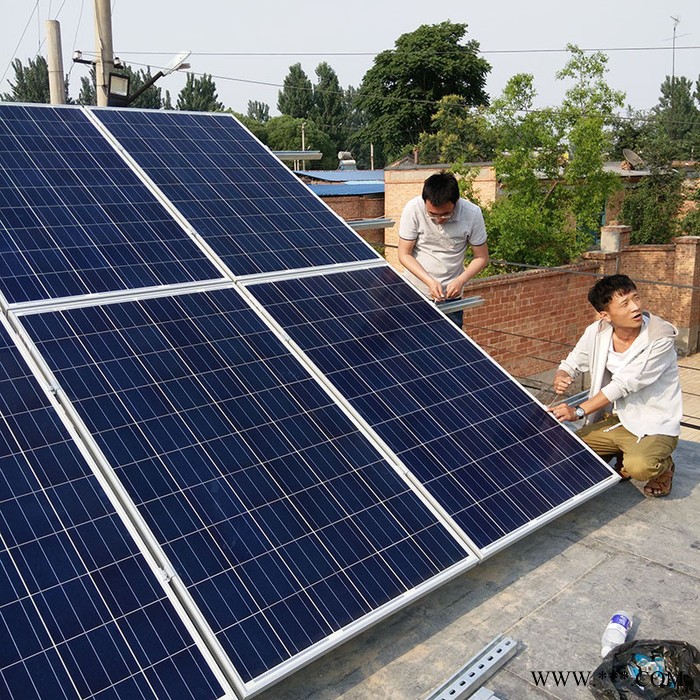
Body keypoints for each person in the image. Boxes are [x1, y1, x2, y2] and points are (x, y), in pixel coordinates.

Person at [548, 274, 682, 497]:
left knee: (640, 466)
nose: (635, 307)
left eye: (636, 298)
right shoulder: (597, 331)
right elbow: (572, 362)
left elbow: (624, 384)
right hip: (615, 421)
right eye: (625, 303)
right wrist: (562, 374)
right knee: (571, 453)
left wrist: (579, 411)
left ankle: (664, 468)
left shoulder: (660, 338)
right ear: (605, 315)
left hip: (653, 424)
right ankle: (622, 454)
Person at [398, 171, 489, 326]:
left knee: (450, 346)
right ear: (425, 201)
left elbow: (481, 257)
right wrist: (429, 282)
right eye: (432, 214)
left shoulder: (472, 214)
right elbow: (404, 254)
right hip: (413, 293)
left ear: (456, 202)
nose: (439, 220)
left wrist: (461, 281)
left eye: (446, 214)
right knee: (409, 344)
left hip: (451, 298)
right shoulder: (413, 209)